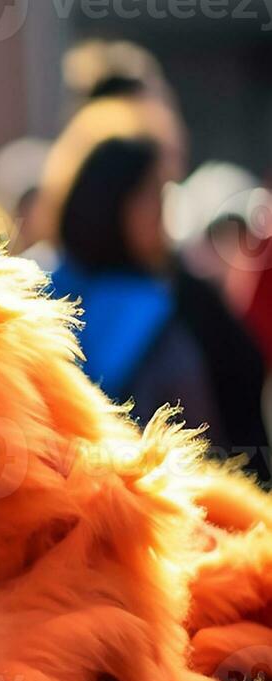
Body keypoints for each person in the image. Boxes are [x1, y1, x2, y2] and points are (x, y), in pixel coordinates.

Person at [49, 137, 270, 477]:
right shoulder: (45, 297)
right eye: (152, 195)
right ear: (112, 201)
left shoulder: (185, 294)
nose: (162, 214)